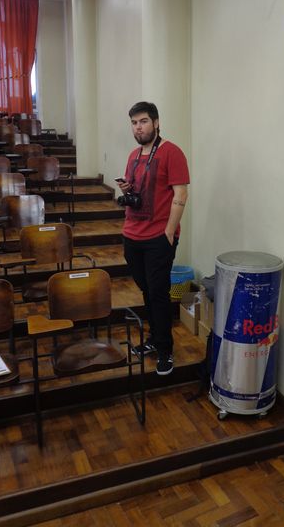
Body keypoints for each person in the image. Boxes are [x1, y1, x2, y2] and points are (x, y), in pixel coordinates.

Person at [117, 102, 189, 376]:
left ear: (156, 122)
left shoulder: (172, 152)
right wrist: (127, 188)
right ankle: (154, 339)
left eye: (143, 121)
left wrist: (169, 231)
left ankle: (165, 349)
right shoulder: (134, 155)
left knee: (158, 294)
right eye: (134, 123)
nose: (138, 127)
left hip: (159, 236)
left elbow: (180, 194)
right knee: (147, 291)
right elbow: (138, 190)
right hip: (132, 235)